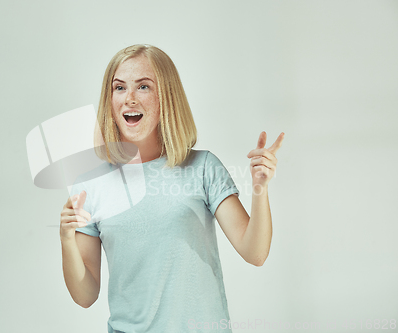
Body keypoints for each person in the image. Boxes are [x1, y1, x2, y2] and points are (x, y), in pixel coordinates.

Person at [60, 44, 285, 333]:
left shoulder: (203, 167)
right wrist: (67, 240)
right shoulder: (91, 185)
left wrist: (260, 189)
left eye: (143, 87)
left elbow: (255, 253)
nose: (129, 98)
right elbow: (85, 295)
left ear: (165, 97)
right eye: (119, 88)